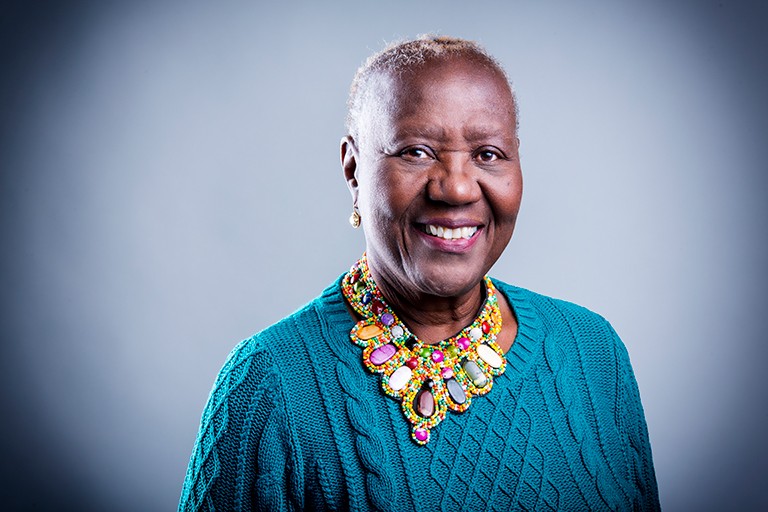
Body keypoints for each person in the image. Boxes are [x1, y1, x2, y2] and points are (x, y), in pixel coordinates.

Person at [179, 35, 659, 511]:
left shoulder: (594, 351)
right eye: (416, 151)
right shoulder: (269, 385)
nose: (455, 188)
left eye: (487, 154)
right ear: (353, 170)